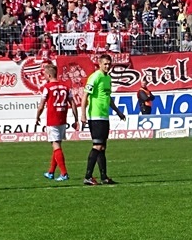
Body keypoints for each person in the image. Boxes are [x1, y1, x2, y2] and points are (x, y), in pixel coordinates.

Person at [81, 54, 126, 185]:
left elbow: (108, 97)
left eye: (109, 64)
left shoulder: (107, 78)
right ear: (99, 64)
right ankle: (88, 176)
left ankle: (104, 177)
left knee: (103, 147)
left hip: (104, 116)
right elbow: (85, 96)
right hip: (95, 115)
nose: (107, 66)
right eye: (105, 64)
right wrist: (83, 114)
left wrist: (118, 112)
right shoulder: (95, 77)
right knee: (97, 145)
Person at [35, 64, 79, 181]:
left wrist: (37, 117)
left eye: (45, 74)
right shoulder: (65, 87)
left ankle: (64, 173)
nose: (44, 76)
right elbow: (73, 103)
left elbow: (41, 105)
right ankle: (51, 172)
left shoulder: (47, 87)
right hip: (62, 119)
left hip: (52, 119)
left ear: (49, 75)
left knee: (56, 146)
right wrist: (76, 119)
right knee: (57, 145)